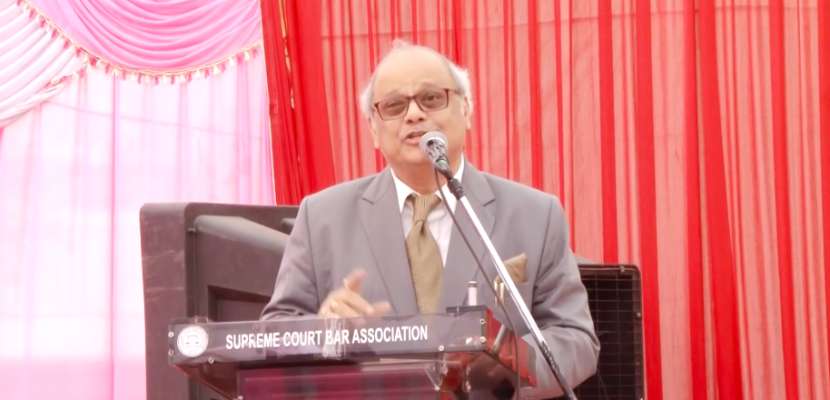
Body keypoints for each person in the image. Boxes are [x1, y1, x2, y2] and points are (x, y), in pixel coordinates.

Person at [261, 40, 599, 396]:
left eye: (431, 98)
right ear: (373, 129)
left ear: (466, 110)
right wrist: (322, 332)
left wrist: (510, 364)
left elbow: (575, 339)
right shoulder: (322, 217)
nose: (413, 115)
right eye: (394, 105)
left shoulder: (535, 214)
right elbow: (274, 334)